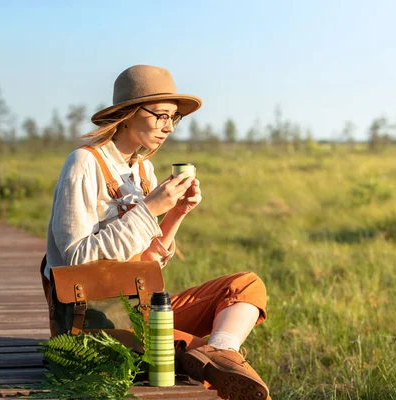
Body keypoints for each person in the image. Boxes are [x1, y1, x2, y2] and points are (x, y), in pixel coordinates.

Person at [43, 65, 270, 400]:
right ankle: (216, 359)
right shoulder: (83, 163)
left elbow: (148, 262)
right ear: (129, 113)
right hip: (96, 319)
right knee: (208, 364)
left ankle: (221, 352)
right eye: (161, 115)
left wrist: (176, 213)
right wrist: (150, 208)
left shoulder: (142, 169)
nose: (168, 127)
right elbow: (76, 259)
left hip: (142, 305)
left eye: (174, 118)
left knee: (246, 286)